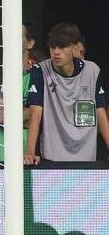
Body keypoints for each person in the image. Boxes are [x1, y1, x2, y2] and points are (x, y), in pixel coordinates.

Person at [26, 23, 108, 165]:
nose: (56, 52)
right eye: (53, 47)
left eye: (62, 47)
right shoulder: (40, 70)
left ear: (75, 48)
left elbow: (101, 114)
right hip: (52, 159)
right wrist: (30, 153)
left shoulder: (92, 71)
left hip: (87, 160)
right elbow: (35, 114)